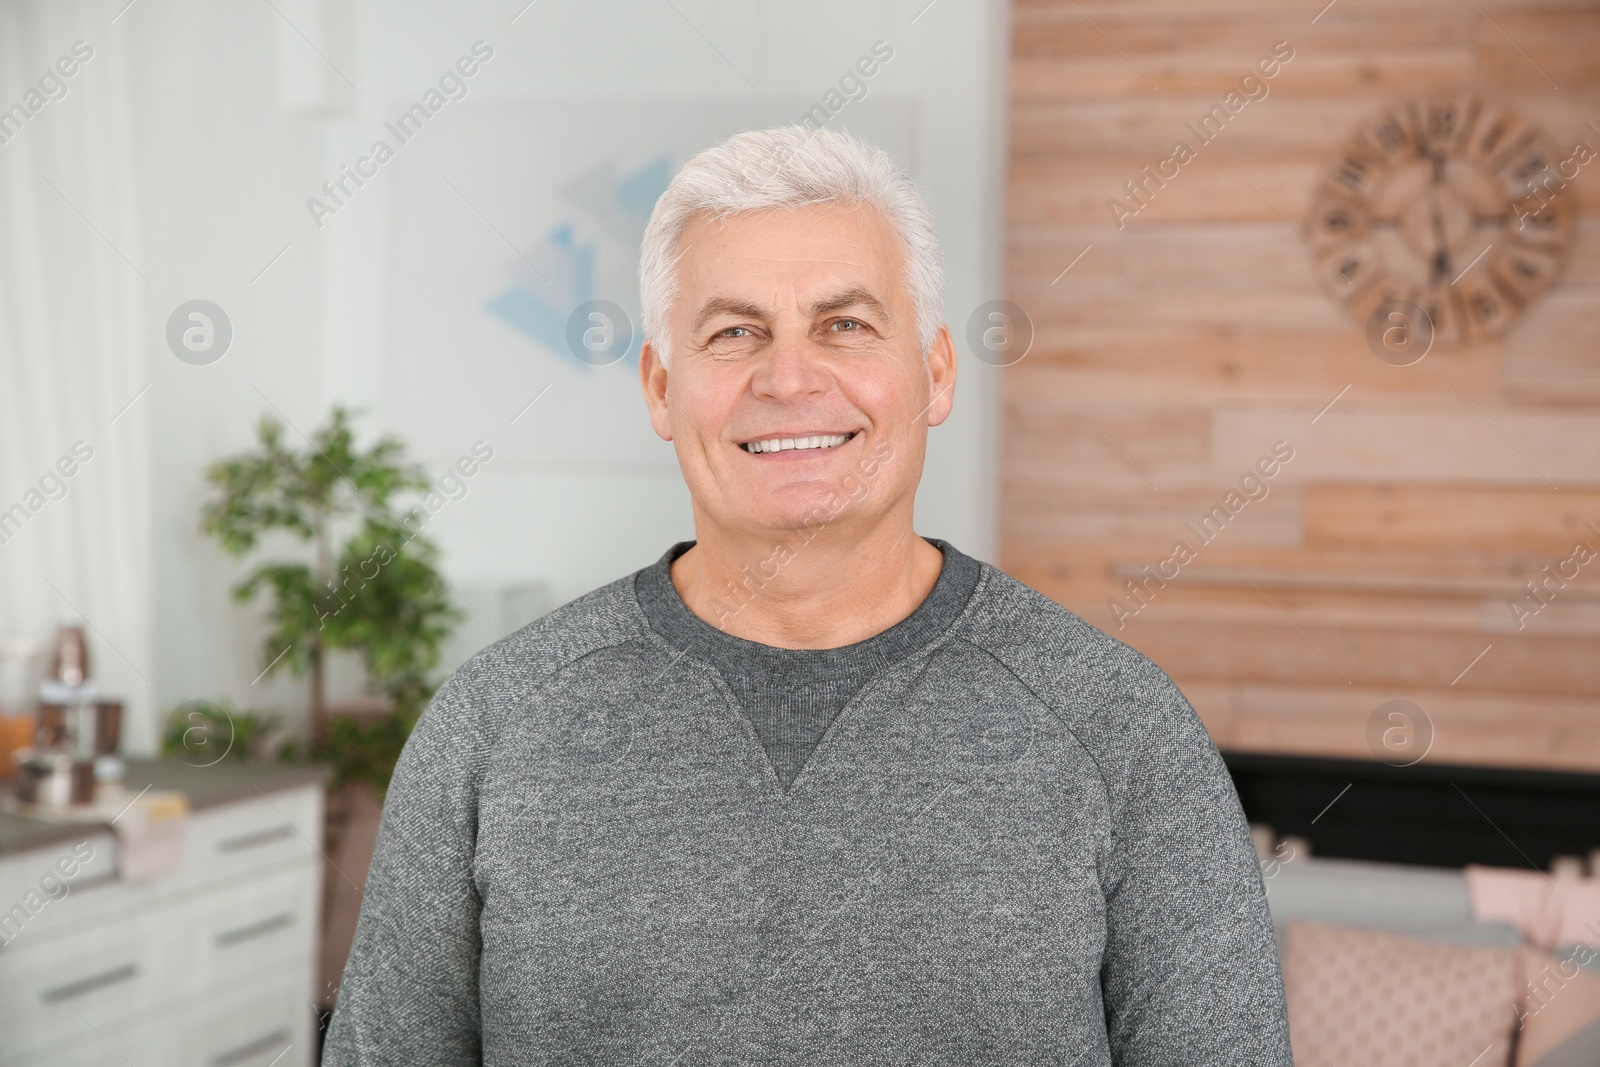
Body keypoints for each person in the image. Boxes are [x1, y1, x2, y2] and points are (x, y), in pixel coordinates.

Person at [321, 124, 1292, 1065]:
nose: (788, 377)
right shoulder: (494, 726)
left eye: (845, 325)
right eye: (736, 332)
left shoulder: (1120, 726)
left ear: (936, 370)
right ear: (661, 388)